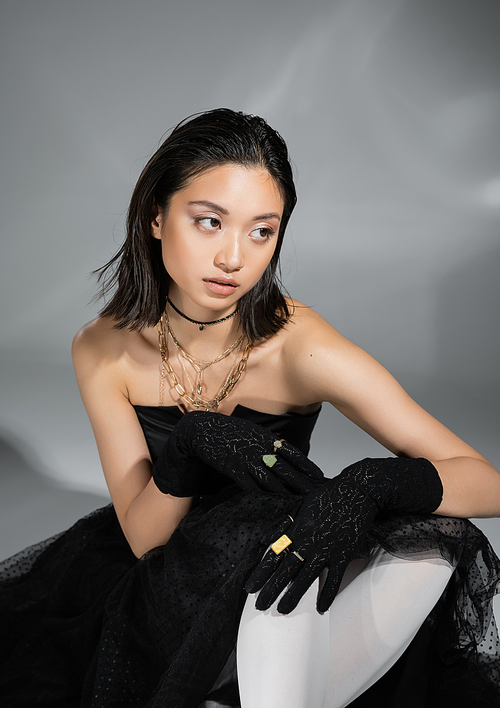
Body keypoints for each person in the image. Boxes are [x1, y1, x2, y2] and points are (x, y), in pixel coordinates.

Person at [0, 108, 499, 708]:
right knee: (251, 525)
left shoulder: (298, 345)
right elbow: (141, 539)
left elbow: (486, 482)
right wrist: (190, 448)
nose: (234, 258)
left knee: (437, 534)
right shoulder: (103, 349)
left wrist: (368, 484)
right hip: (167, 592)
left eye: (262, 231)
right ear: (156, 218)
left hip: (283, 579)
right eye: (209, 222)